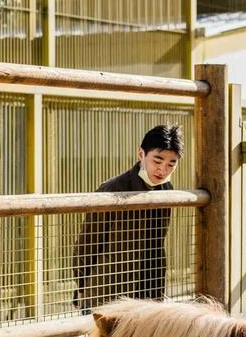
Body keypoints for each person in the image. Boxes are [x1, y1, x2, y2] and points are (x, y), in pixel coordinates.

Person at [72, 124, 184, 312]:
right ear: (141, 154)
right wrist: (82, 285)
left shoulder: (167, 189)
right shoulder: (113, 188)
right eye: (157, 161)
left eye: (171, 164)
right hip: (108, 291)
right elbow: (88, 242)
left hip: (149, 289)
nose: (162, 170)